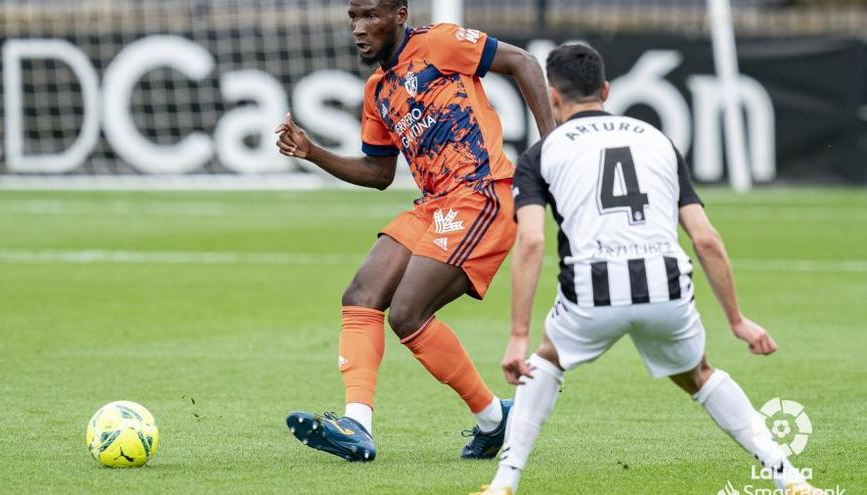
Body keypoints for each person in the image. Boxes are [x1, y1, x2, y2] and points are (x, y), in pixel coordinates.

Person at [474, 43, 823, 494]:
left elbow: (533, 241)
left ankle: (504, 484)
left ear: (554, 98)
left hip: (592, 292)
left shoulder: (543, 154)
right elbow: (706, 240)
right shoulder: (657, 140)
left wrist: (518, 334)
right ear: (605, 89)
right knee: (699, 375)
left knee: (545, 361)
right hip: (666, 287)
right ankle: (789, 479)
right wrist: (736, 320)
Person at [276, 0, 555, 463]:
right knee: (361, 294)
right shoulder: (377, 90)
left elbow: (522, 62)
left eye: (370, 16)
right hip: (434, 204)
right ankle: (360, 425)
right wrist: (312, 152)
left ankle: (492, 419)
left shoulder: (441, 43)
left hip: (480, 193)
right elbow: (378, 172)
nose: (359, 29)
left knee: (407, 311)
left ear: (400, 14)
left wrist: (553, 144)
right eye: (353, 18)